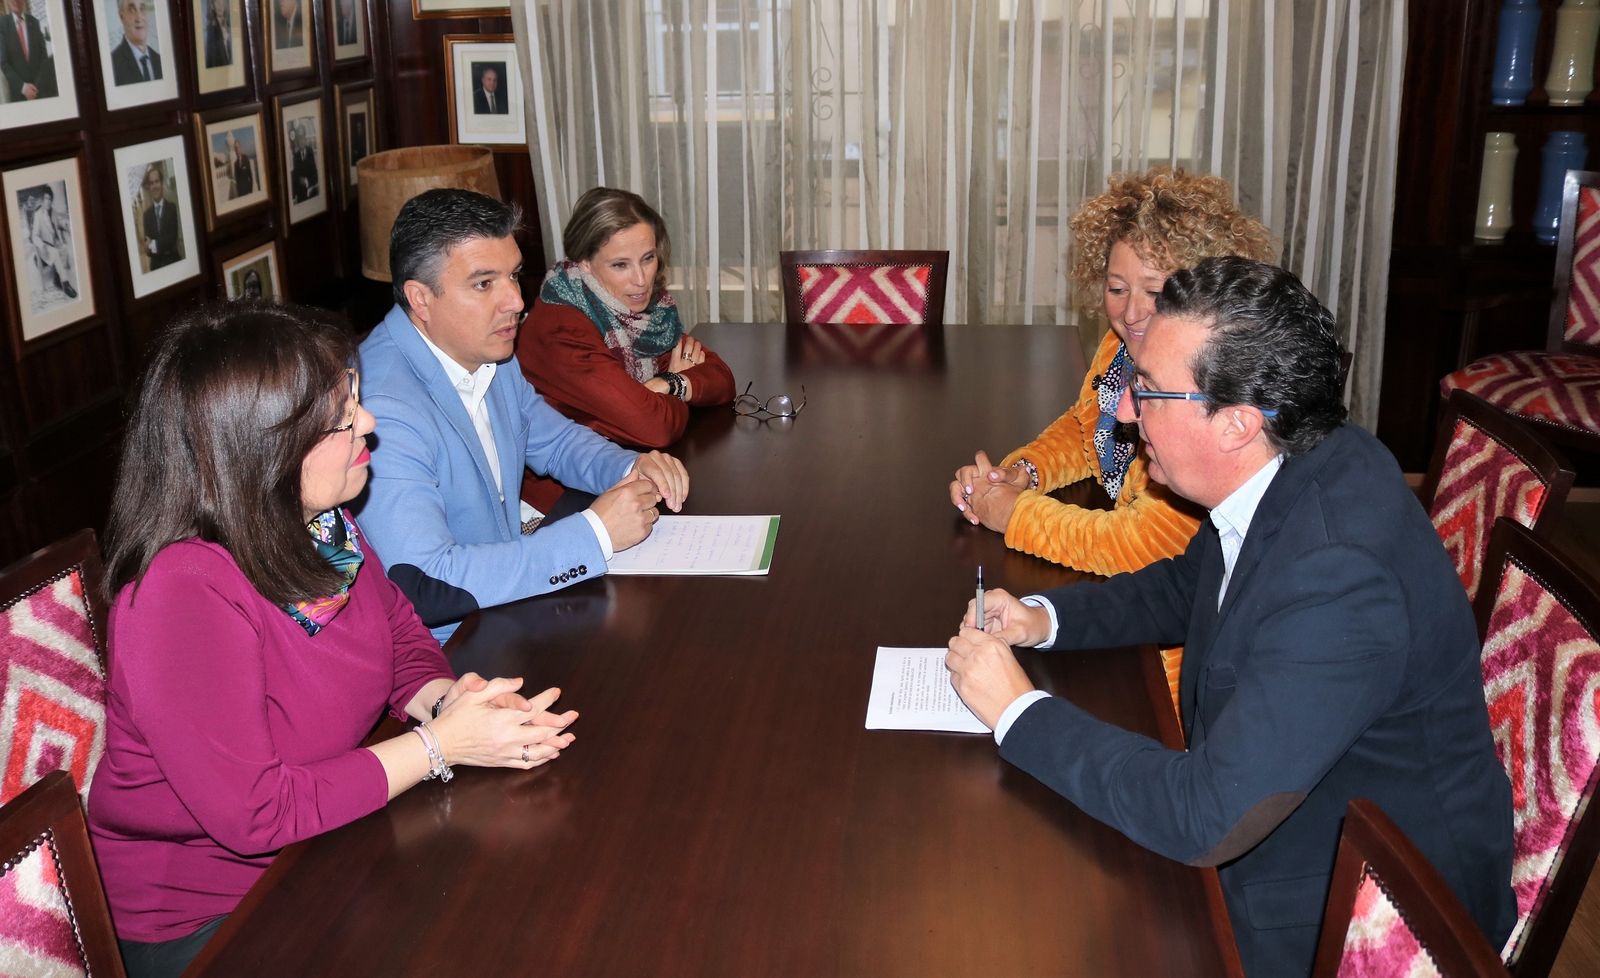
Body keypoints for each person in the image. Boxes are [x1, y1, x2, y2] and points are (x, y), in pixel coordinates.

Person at [944, 257, 1516, 977]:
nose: (1124, 411)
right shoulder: (1290, 460)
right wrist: (1042, 617)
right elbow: (1187, 589)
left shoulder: (1340, 576)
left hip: (1368, 913)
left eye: (1148, 391)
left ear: (1238, 423)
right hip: (1289, 814)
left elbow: (1204, 817)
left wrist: (1018, 712)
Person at [86, 302, 579, 978]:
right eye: (342, 419)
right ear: (261, 451)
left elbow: (400, 636)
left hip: (323, 843)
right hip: (212, 917)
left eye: (356, 402)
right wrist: (442, 746)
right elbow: (256, 814)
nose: (368, 424)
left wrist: (449, 701)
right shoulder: (181, 594)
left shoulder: (322, 528)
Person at [354, 188, 691, 643]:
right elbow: (427, 584)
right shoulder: (380, 409)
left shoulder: (488, 352)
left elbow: (554, 441)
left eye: (513, 276)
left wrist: (630, 468)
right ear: (421, 299)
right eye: (484, 284)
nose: (515, 300)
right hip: (450, 649)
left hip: (508, 606)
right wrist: (595, 534)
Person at [951, 168, 1273, 579]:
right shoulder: (1119, 348)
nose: (1131, 313)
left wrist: (1013, 513)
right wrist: (1023, 473)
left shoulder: (1212, 391)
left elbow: (1141, 546)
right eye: (1117, 289)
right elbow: (1087, 428)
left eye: (1156, 292)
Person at [516, 187, 735, 464]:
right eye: (620, 265)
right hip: (572, 485)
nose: (641, 280)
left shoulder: (649, 313)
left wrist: (671, 383)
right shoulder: (561, 330)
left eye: (648, 258)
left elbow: (722, 379)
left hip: (628, 467)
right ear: (585, 263)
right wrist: (677, 388)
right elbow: (655, 427)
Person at [27, 186, 76, 299]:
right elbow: (34, 236)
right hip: (44, 246)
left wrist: (65, 225)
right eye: (46, 199)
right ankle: (66, 284)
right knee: (55, 253)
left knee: (64, 248)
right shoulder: (38, 215)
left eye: (50, 199)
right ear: (42, 200)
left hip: (53, 244)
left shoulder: (53, 211)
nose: (48, 201)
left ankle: (57, 279)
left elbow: (58, 222)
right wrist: (42, 245)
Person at [1, 0, 55, 101]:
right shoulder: (2, 24)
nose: (16, 1)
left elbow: (43, 58)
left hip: (40, 92)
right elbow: (3, 63)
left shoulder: (34, 22)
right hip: (18, 95)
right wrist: (23, 87)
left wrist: (36, 87)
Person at [109, 0, 163, 85]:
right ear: (122, 17)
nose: (139, 18)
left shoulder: (160, 60)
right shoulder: (112, 65)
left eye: (142, 8)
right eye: (132, 10)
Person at [140, 164, 181, 269]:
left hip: (174, 263)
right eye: (151, 183)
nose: (154, 186)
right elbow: (148, 248)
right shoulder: (146, 215)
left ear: (161, 183)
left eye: (157, 181)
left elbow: (172, 239)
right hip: (156, 267)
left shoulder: (172, 208)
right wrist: (148, 248)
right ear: (149, 187)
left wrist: (153, 245)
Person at [203, 0, 231, 68]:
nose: (220, 6)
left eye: (222, 2)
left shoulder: (228, 25)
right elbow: (212, 61)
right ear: (213, 5)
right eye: (217, 2)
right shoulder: (211, 29)